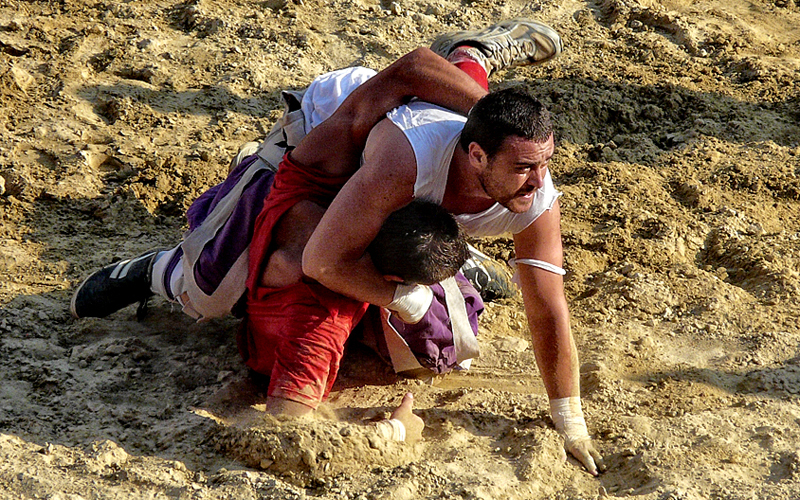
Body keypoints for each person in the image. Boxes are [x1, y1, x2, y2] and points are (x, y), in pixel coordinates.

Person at [71, 18, 604, 473]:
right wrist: (398, 425)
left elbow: (548, 307)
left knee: (444, 344)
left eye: (543, 164)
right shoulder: (396, 169)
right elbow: (316, 264)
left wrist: (569, 417)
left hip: (408, 179)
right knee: (209, 289)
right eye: (524, 167)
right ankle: (158, 270)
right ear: (477, 156)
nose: (539, 181)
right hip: (323, 144)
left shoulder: (528, 184)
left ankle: (471, 63)